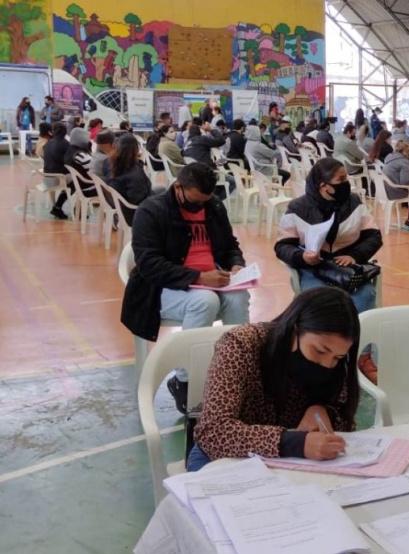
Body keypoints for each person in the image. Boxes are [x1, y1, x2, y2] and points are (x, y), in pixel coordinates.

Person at [121, 163, 250, 414]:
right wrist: (199, 277)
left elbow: (230, 245)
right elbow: (149, 265)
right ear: (178, 188)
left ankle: (233, 368)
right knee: (204, 301)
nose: (199, 206)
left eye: (205, 200)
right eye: (194, 201)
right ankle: (185, 379)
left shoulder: (212, 206)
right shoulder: (151, 211)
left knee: (238, 296)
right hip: (161, 287)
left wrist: (236, 265)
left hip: (211, 279)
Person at [188, 287, 359, 470]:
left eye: (337, 358)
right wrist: (294, 443)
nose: (326, 364)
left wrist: (325, 411)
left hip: (292, 464)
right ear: (295, 329)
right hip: (225, 458)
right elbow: (213, 432)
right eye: (319, 351)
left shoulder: (336, 366)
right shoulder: (241, 344)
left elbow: (346, 421)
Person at [275, 157, 383, 313]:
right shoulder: (297, 208)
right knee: (323, 303)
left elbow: (374, 236)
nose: (347, 183)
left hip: (347, 269)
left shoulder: (354, 203)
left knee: (364, 297)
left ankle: (359, 335)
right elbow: (282, 246)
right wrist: (302, 257)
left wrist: (354, 256)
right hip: (312, 269)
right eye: (342, 179)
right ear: (324, 186)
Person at [107, 134, 153, 225]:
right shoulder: (135, 172)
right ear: (136, 149)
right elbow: (140, 197)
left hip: (120, 206)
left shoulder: (112, 164)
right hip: (135, 213)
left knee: (161, 189)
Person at [44, 122, 71, 219]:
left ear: (53, 132)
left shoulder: (48, 143)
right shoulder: (66, 144)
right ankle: (58, 206)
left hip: (46, 178)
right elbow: (70, 162)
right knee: (78, 182)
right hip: (58, 179)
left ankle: (56, 206)